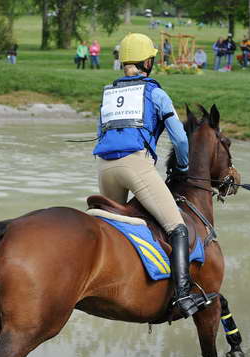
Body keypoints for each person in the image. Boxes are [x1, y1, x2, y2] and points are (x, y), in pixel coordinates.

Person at [93, 33, 214, 318]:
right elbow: (181, 140)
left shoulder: (108, 92)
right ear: (148, 61)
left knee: (114, 230)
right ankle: (184, 295)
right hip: (135, 166)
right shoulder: (156, 93)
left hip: (104, 168)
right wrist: (183, 167)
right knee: (177, 227)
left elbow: (100, 133)